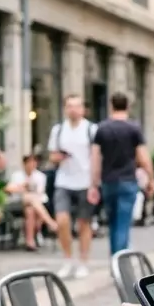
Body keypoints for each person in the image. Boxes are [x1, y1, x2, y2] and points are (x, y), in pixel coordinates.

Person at [89, 93, 154, 255]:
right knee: (123, 223)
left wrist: (93, 184)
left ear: (111, 106)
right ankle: (121, 260)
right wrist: (151, 178)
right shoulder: (133, 129)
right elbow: (143, 157)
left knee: (112, 223)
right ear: (128, 107)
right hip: (127, 180)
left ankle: (114, 259)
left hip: (108, 181)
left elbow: (95, 158)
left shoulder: (102, 129)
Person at [48, 95, 97, 278]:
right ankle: (67, 259)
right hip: (64, 181)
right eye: (69, 106)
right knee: (62, 221)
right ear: (65, 108)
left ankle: (83, 261)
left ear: (83, 109)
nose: (73, 110)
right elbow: (51, 156)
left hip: (85, 182)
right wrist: (59, 157)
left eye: (77, 106)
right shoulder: (59, 130)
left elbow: (96, 157)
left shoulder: (91, 129)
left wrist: (95, 183)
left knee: (84, 223)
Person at [5, 154, 58, 251]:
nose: (31, 165)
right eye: (29, 163)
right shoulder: (17, 175)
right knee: (29, 198)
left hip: (36, 204)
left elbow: (40, 193)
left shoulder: (40, 176)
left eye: (33, 162)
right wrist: (21, 187)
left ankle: (30, 241)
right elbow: (8, 189)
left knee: (30, 210)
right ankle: (50, 222)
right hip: (19, 202)